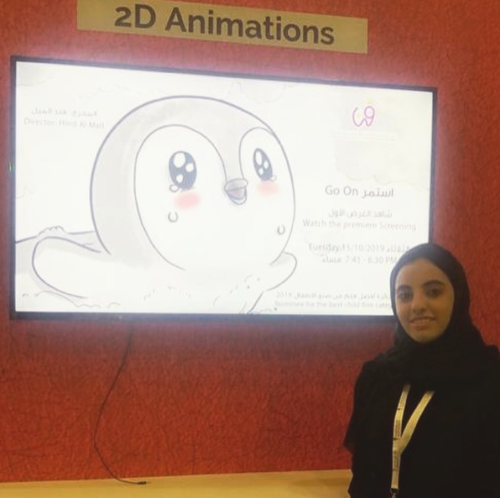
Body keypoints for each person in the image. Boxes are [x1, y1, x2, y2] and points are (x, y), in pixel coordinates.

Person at [343, 242, 500, 498]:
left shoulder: (490, 379)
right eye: (405, 295)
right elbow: (363, 471)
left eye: (433, 292)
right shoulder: (377, 377)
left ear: (458, 295)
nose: (417, 305)